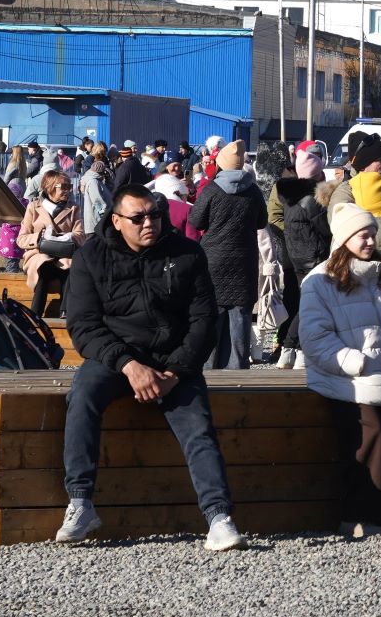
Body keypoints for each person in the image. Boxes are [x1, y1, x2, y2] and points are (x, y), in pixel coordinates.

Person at [56, 183, 242, 551]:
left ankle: (219, 516)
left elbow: (203, 320)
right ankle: (80, 502)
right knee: (82, 396)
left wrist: (176, 371)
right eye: (137, 217)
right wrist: (128, 364)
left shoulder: (187, 253)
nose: (149, 223)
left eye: (154, 215)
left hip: (174, 359)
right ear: (116, 220)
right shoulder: (91, 256)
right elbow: (83, 325)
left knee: (197, 426)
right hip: (116, 356)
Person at [297, 202, 381, 538]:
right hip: (345, 379)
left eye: (372, 235)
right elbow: (315, 338)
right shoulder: (319, 282)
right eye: (362, 236)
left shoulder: (378, 278)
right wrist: (355, 362)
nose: (370, 242)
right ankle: (360, 516)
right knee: (372, 432)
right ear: (344, 239)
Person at [187, 141, 268, 370]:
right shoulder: (253, 191)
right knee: (240, 316)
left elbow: (195, 220)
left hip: (214, 258)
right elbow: (262, 221)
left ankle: (209, 370)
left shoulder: (212, 189)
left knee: (212, 314)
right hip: (244, 259)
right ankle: (238, 370)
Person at [273, 178, 331, 369]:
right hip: (313, 259)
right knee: (309, 306)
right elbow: (324, 229)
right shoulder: (309, 201)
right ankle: (294, 349)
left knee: (304, 305)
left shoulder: (289, 201)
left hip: (296, 258)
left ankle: (290, 352)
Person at [17, 169, 84, 318]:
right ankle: (35, 313)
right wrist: (39, 237)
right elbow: (21, 239)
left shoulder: (73, 208)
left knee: (69, 268)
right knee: (44, 267)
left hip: (64, 254)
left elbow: (81, 236)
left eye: (69, 186)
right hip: (39, 253)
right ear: (49, 187)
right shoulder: (34, 207)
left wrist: (67, 237)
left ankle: (66, 311)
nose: (68, 190)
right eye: (63, 187)